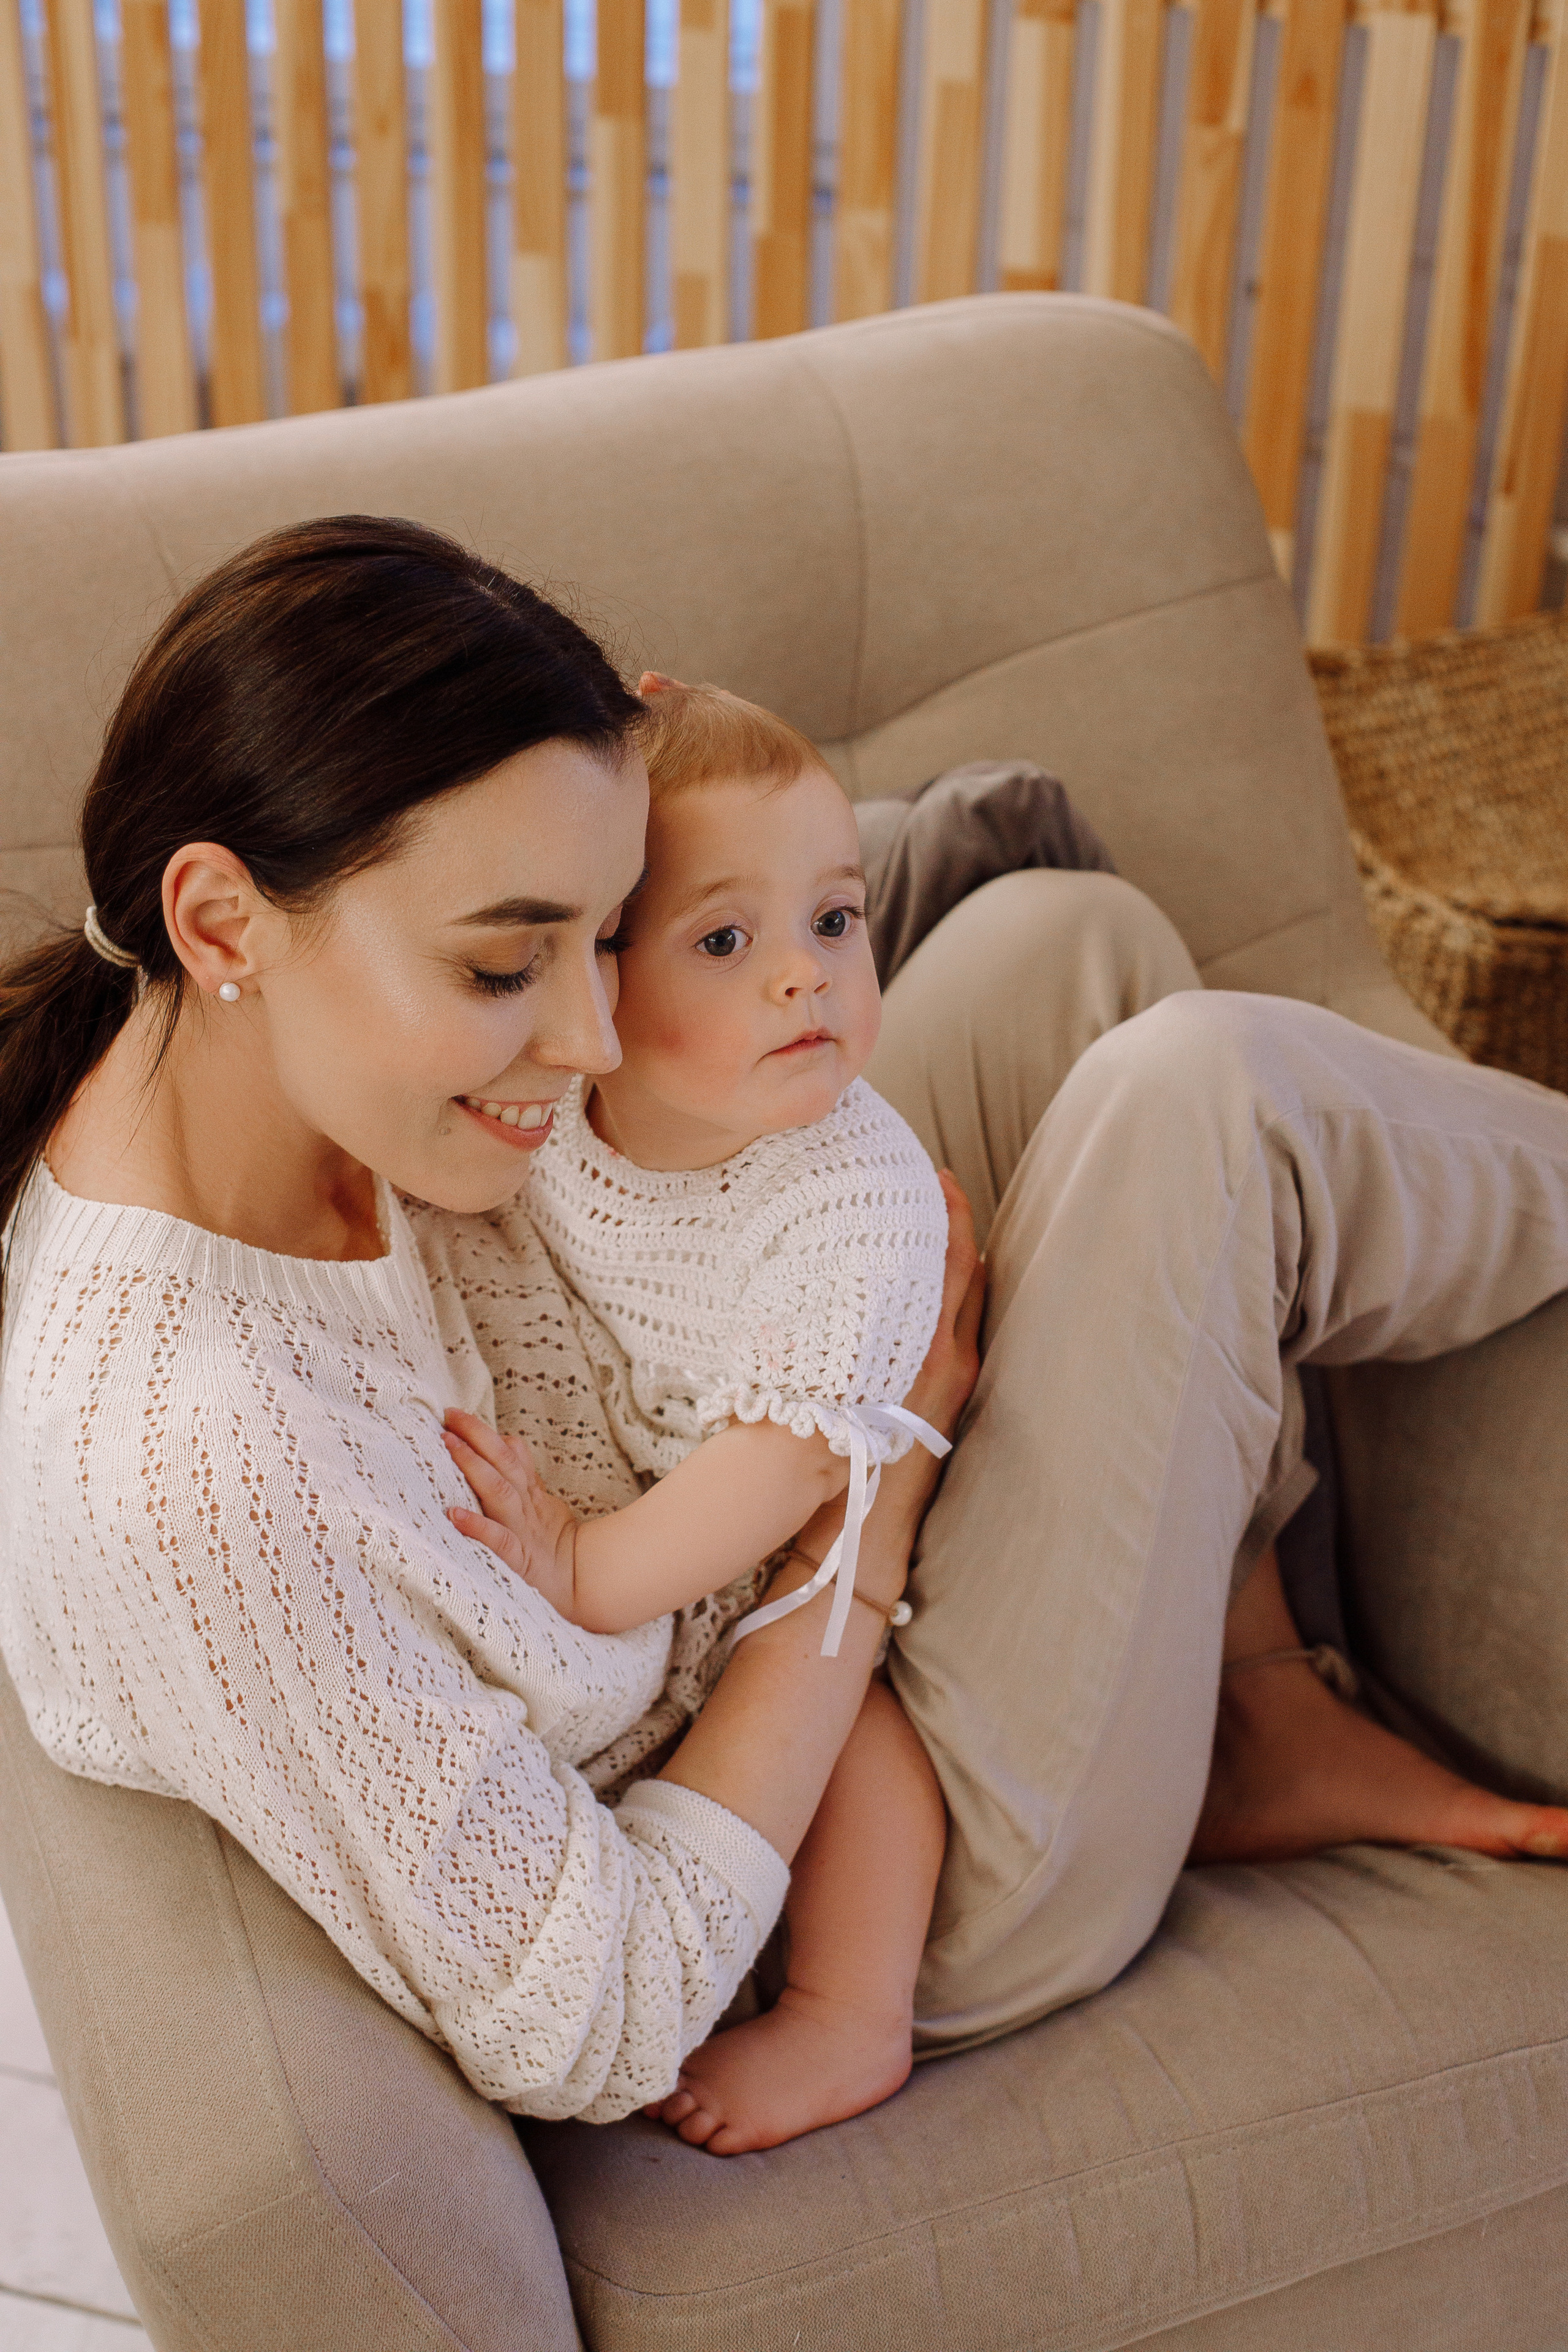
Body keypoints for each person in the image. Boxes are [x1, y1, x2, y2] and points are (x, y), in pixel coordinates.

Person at [2, 517, 1567, 2157]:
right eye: (506, 965)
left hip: (717, 1517)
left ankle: (1246, 1700)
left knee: (1063, 943)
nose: (590, 1038)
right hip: (844, 1855)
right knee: (1210, 1098)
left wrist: (659, 778)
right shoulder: (202, 1471)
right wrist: (859, 1524)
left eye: (603, 938)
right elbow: (601, 2011)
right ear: (224, 924)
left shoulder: (233, 1068)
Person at [445, 678, 959, 2154]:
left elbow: (785, 1470)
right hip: (683, 1483)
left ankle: (853, 2013)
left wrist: (588, 1567)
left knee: (862, 1742)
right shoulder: (554, 1104)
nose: (805, 978)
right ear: (591, 977)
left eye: (835, 920)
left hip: (817, 1507)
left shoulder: (848, 1199)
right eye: (726, 941)